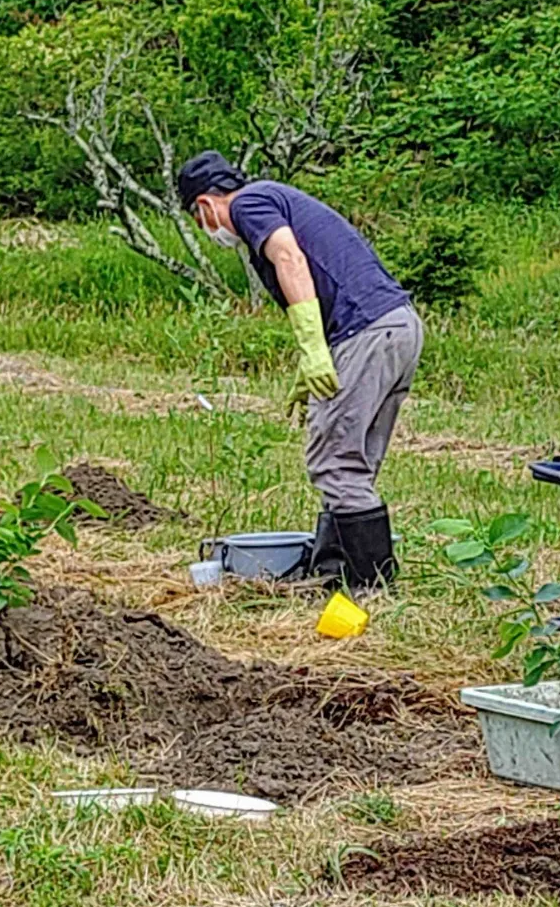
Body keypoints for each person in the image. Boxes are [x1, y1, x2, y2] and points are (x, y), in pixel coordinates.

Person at [176, 151, 422, 589]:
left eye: (199, 219)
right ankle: (333, 572)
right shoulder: (277, 196)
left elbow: (290, 259)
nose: (207, 228)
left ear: (206, 205)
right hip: (397, 327)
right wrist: (313, 356)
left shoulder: (248, 204)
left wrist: (312, 347)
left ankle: (371, 588)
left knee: (335, 462)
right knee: (355, 462)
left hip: (363, 331)